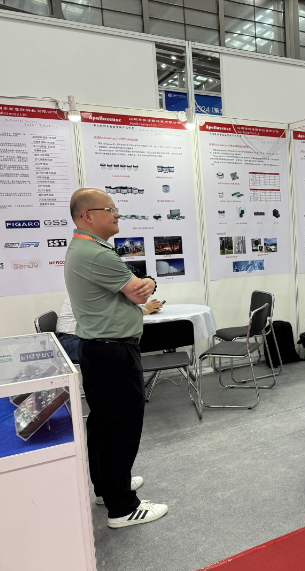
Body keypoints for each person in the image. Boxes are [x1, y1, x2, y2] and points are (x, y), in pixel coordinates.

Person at [64, 187, 169, 529]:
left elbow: (131, 292)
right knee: (121, 427)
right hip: (112, 351)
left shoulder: (85, 248)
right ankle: (122, 507)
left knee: (104, 424)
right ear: (87, 216)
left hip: (100, 349)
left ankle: (108, 487)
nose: (117, 215)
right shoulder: (96, 254)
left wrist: (142, 285)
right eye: (109, 209)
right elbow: (138, 292)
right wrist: (149, 280)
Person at [56, 296, 163, 362]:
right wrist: (143, 310)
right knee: (118, 351)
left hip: (82, 338)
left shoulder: (97, 293)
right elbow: (112, 319)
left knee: (123, 346)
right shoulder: (88, 294)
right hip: (71, 340)